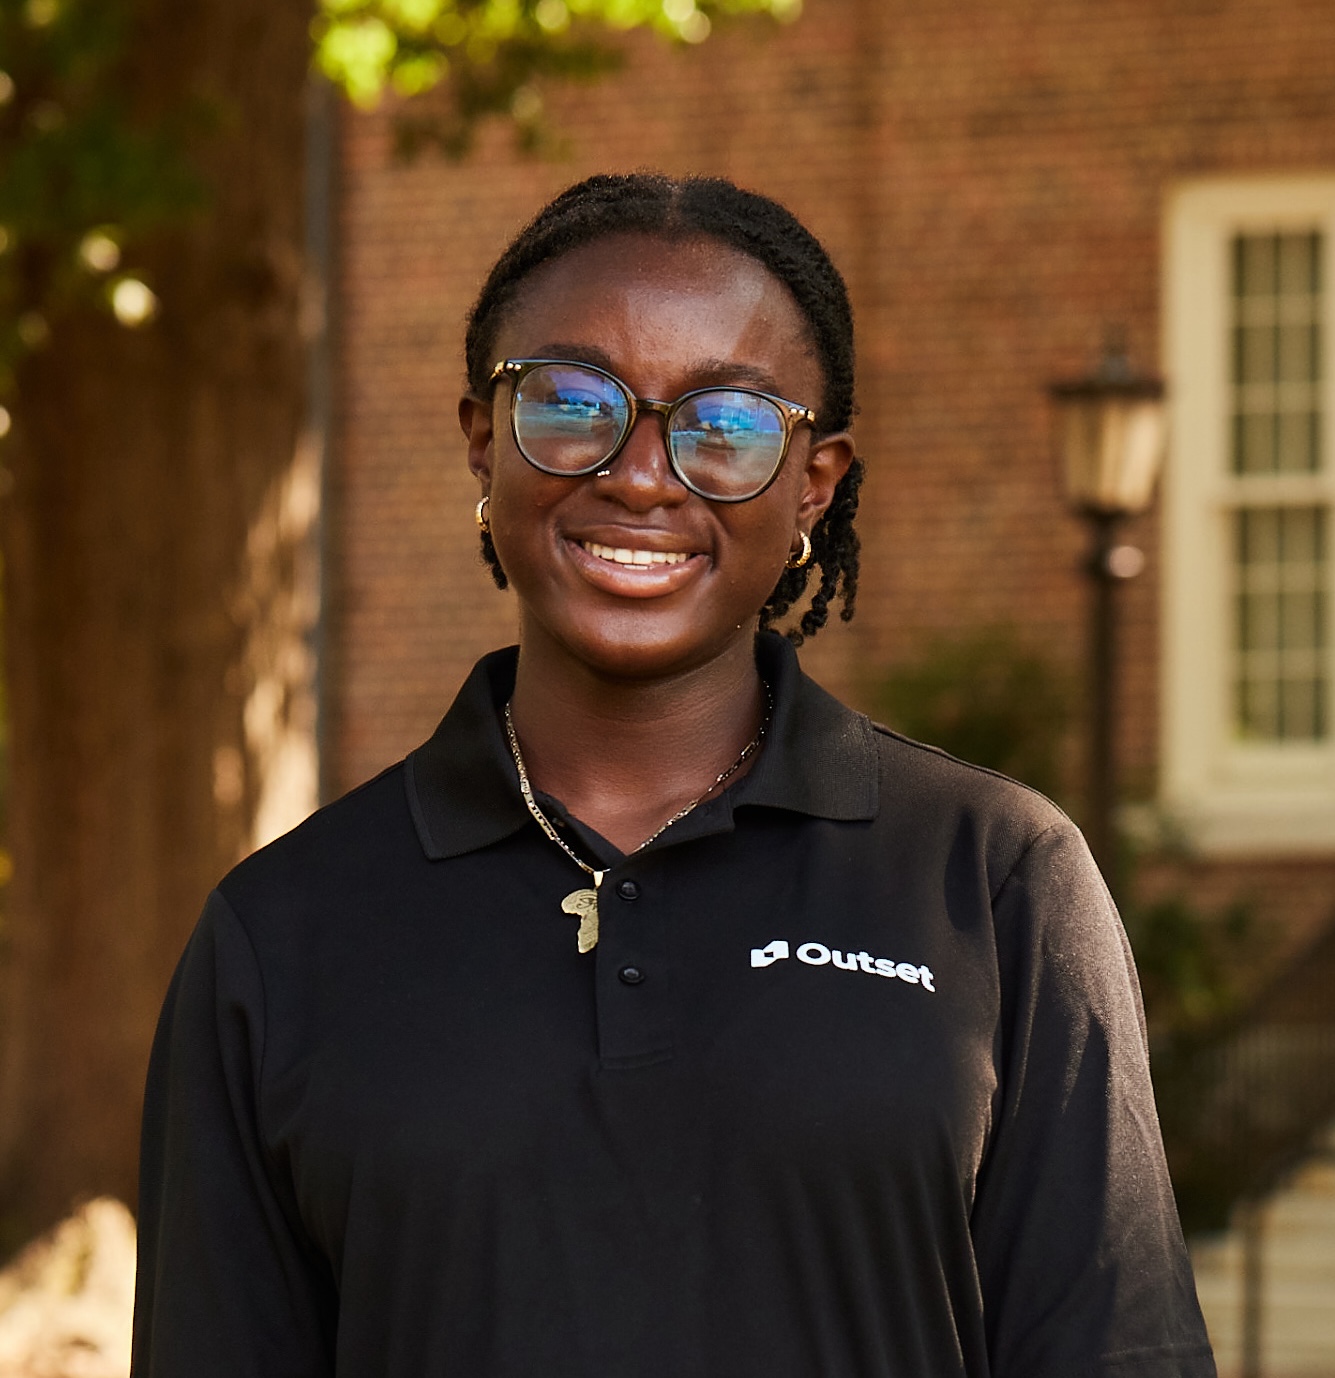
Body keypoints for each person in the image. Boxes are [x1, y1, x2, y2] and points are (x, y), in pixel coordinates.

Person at [132, 172, 1216, 1378]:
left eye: (727, 423)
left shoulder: (993, 881)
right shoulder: (281, 935)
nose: (641, 474)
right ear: (481, 440)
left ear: (817, 480)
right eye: (572, 402)